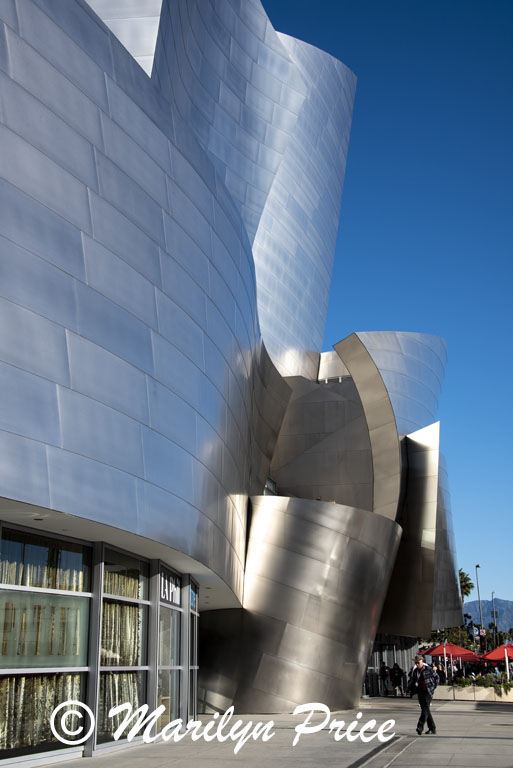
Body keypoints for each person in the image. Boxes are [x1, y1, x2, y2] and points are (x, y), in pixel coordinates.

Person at [408, 654, 439, 735]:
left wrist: (433, 687)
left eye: (418, 662)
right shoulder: (415, 671)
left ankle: (420, 727)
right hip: (420, 691)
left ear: (422, 661)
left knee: (425, 709)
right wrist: (409, 689)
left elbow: (436, 677)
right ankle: (432, 728)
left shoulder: (428, 669)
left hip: (428, 692)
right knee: (425, 709)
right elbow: (412, 681)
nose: (417, 664)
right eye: (416, 663)